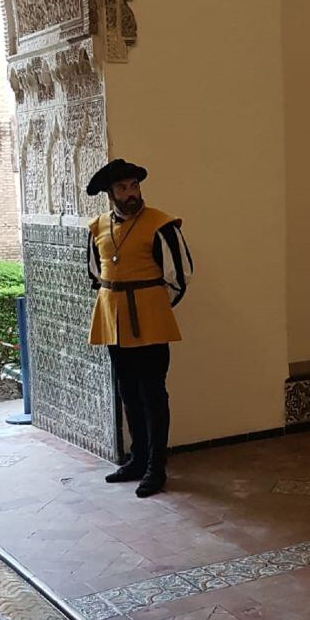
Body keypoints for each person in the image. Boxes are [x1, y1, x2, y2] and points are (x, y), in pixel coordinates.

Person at [85, 159, 192, 498]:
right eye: (122, 188)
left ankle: (155, 466)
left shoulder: (160, 224)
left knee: (153, 394)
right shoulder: (98, 227)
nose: (131, 193)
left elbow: (180, 275)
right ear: (110, 194)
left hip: (150, 322)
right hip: (113, 321)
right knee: (127, 392)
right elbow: (94, 273)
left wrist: (152, 307)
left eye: (134, 186)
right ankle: (138, 458)